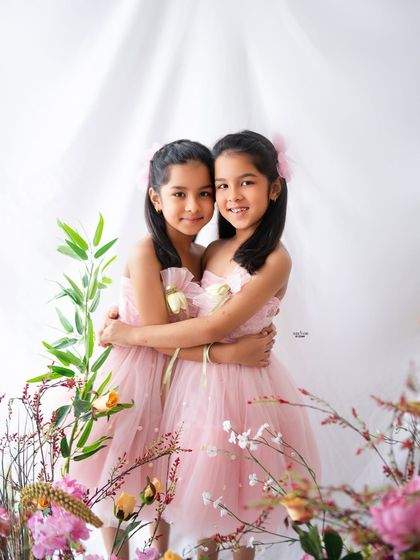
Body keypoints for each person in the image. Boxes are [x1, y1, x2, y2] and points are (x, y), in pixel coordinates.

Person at [99, 131, 320, 560]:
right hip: (180, 379)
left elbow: (211, 325)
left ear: (274, 188)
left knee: (227, 493)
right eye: (221, 186)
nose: (229, 196)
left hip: (233, 387)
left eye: (245, 182)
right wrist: (126, 328)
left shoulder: (271, 258)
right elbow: (182, 326)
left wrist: (130, 333)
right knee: (154, 479)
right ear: (156, 197)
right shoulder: (209, 249)